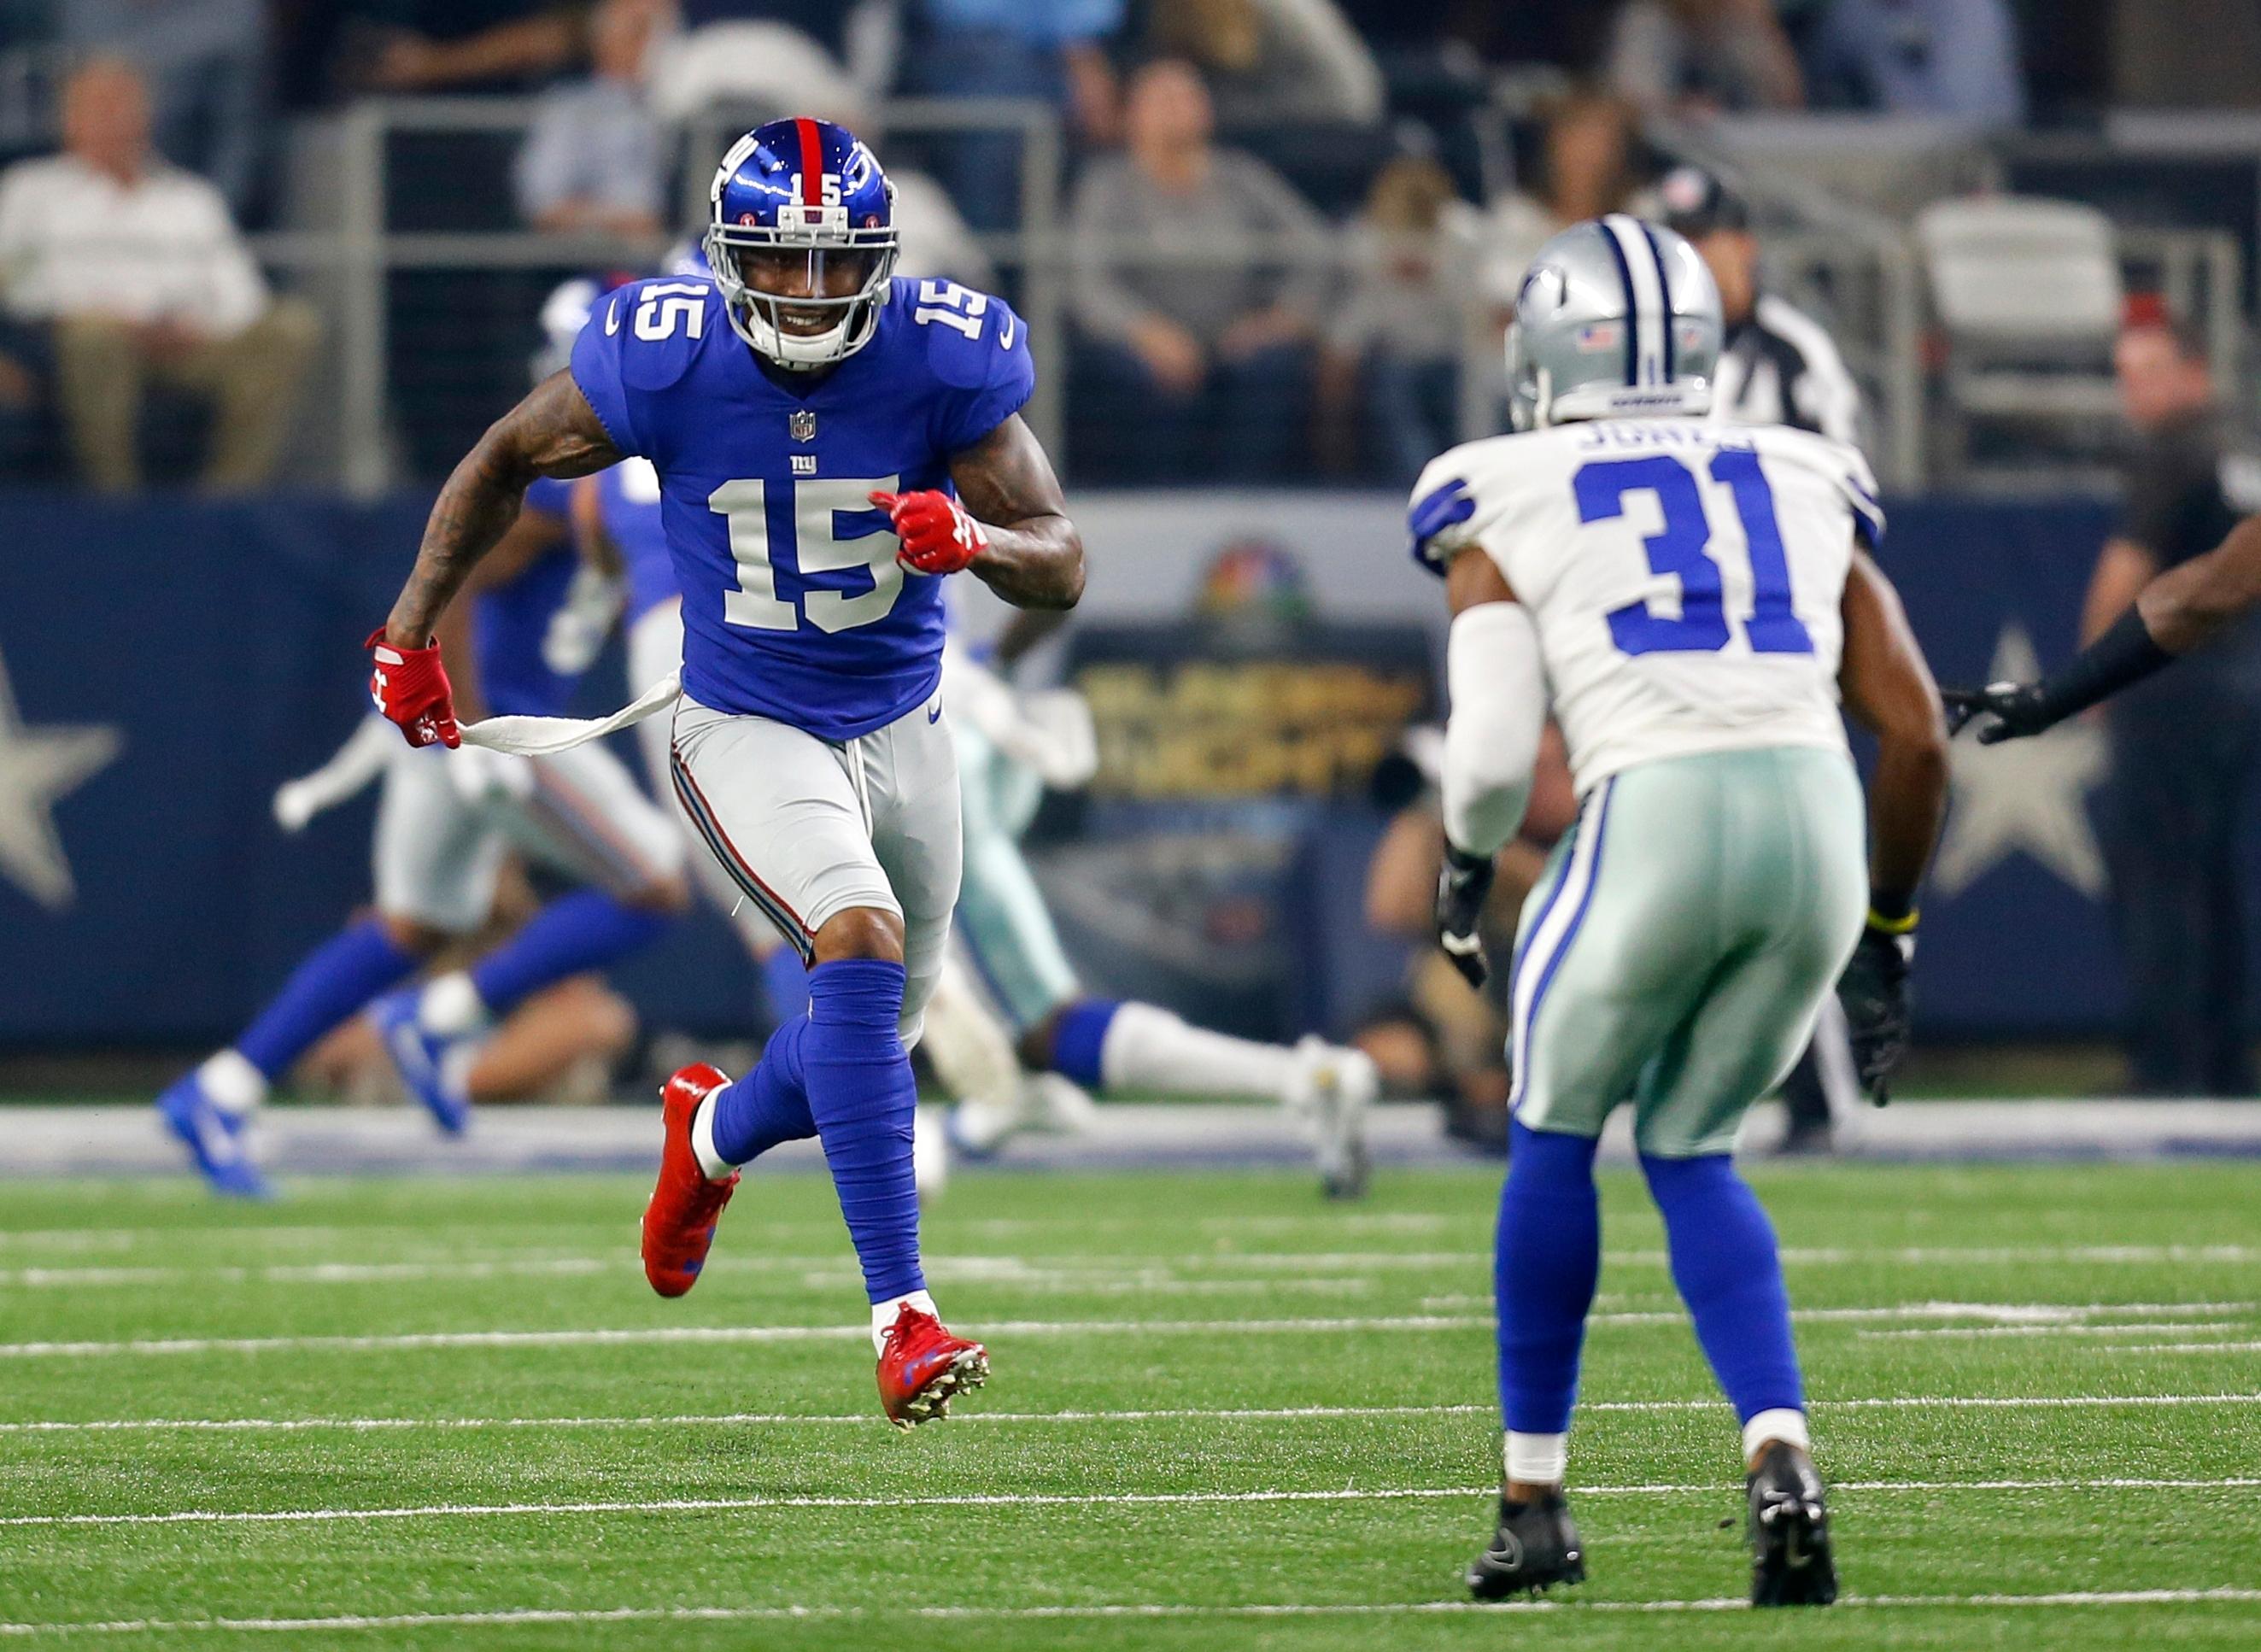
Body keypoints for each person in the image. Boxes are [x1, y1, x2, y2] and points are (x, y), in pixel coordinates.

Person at [365, 119, 1085, 1426]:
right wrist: (407, 633)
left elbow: (1061, 553)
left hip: (905, 725)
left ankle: (704, 1139)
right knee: (853, 950)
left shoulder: (939, 354)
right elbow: (504, 457)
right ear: (725, 255)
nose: (808, 293)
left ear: (879, 259)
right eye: (780, 262)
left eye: (834, 265)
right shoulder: (667, 353)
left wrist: (973, 535)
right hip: (742, 718)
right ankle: (904, 1319)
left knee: (862, 1040)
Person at [1412, 216, 1948, 1603]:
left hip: (1652, 811)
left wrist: (1466, 873)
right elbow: (1920, 737)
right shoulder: (1796, 466)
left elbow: (1482, 757)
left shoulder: (1500, 483)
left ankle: (1533, 1500)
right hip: (1818, 827)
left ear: (1549, 354)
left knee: (1552, 1125)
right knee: (1696, 1146)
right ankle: (1779, 1449)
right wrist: (1885, 933)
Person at [155, 470, 694, 1198]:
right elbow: (454, 579)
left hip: (453, 723)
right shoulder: (562, 487)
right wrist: (463, 725)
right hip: (491, 723)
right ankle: (438, 1018)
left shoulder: (623, 495)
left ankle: (219, 1090)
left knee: (413, 929)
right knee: (655, 884)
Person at [938, 629, 1378, 1196]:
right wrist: (990, 668)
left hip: (931, 763)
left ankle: (1306, 1078)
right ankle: (1005, 1097)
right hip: (953, 734)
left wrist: (984, 672)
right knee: (1015, 1016)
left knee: (1039, 1021)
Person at [1953, 317, 2261, 1095]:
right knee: (2213, 877)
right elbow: (2215, 585)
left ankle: (2169, 1063)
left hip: (2176, 691)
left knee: (2161, 877)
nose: (2133, 395)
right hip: (2241, 686)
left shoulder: (2171, 449)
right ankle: (2220, 1060)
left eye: (2147, 373)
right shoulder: (2237, 440)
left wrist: (2077, 685)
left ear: (2192, 370)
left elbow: (2169, 587)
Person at [1664, 163, 1867, 1149]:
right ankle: (1727, 1071)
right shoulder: (1650, 359)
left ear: (1742, 245)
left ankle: (1817, 1086)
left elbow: (1845, 498)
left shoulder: (1792, 354)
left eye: (1708, 242)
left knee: (1784, 861)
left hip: (1775, 628)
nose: (1698, 263)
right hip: (1670, 634)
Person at [0, 57, 318, 493]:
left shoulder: (190, 197)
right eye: (96, 105)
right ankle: (118, 502)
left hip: (187, 344)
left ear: (146, 114)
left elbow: (241, 296)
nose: (110, 118)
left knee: (291, 327)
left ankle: (227, 502)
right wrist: (111, 319)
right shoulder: (30, 191)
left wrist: (193, 329)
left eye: (121, 104)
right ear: (68, 118)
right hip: (77, 342)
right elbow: (16, 287)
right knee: (96, 337)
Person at [1069, 59, 1328, 482]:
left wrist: (1280, 319)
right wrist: (1148, 332)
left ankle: (1245, 500)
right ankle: (1154, 500)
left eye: (1186, 97)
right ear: (1132, 114)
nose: (1176, 107)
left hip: (1236, 337)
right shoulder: (1106, 186)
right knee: (1133, 377)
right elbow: (1086, 280)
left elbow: (1315, 249)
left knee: (1273, 368)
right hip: (1141, 342)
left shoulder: (1242, 177)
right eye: (1161, 98)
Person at [1662, 166, 1862, 448]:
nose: (1687, 252)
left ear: (1744, 245)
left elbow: (1840, 466)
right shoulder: (1648, 342)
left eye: (1701, 236)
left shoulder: (1795, 346)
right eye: (1674, 239)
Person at [899, 0, 1127, 232]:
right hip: (950, 47)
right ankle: (994, 261)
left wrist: (1083, 52)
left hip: (1055, 55)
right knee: (1001, 110)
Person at [1315, 152, 1473, 486]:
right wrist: (1341, 353)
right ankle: (1422, 481)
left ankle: (1470, 475)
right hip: (1394, 360)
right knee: (1391, 381)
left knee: (1475, 381)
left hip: (1453, 358)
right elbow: (1357, 315)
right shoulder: (1367, 244)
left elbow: (1475, 307)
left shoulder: (1462, 237)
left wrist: (1435, 275)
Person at [514, 0, 668, 237]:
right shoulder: (569, 108)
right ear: (605, 42)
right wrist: (617, 221)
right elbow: (542, 203)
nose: (656, 44)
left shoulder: (680, 105)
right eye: (640, 31)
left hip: (683, 255)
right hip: (598, 255)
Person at [1804, 0, 2026, 128]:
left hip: (1981, 168)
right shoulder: (1852, 10)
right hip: (1874, 158)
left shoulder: (1971, 9)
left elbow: (1956, 120)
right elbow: (1814, 91)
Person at [1606, 0, 1804, 114]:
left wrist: (1765, 24)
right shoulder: (1648, 17)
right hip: (1662, 159)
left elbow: (1789, 103)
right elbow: (1628, 105)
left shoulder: (1741, 20)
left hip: (1745, 155)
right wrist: (1679, 110)